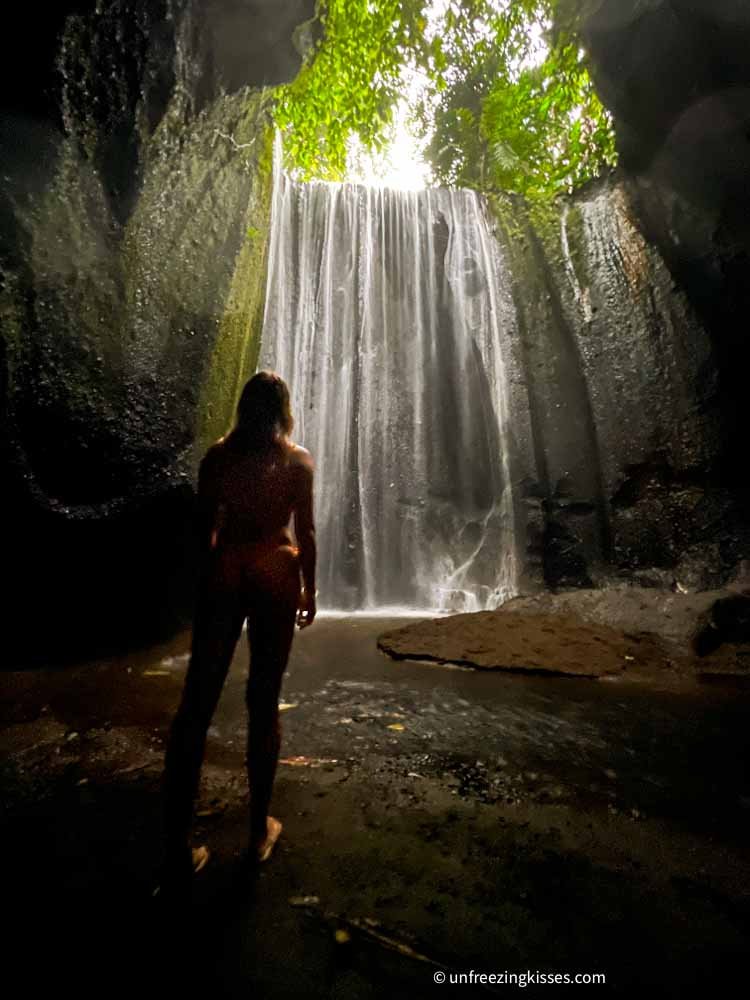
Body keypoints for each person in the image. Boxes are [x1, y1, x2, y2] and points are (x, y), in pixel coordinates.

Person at [160, 371, 316, 887]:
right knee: (263, 699)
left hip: (226, 567)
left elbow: (202, 530)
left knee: (196, 705)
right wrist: (309, 589)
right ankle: (256, 833)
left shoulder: (218, 459)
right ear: (283, 410)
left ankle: (178, 846)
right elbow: (306, 531)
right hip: (274, 567)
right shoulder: (296, 462)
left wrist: (205, 584)